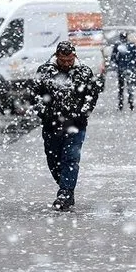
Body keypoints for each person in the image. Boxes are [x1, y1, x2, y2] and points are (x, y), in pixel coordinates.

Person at [32, 41, 103, 210]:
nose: (66, 64)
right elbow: (35, 95)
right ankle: (65, 186)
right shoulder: (44, 72)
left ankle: (65, 192)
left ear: (74, 56)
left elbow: (91, 96)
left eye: (69, 60)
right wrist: (44, 113)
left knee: (70, 158)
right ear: (57, 57)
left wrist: (82, 114)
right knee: (54, 160)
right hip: (52, 125)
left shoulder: (84, 72)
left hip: (75, 125)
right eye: (63, 61)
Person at [110, 32, 136, 111]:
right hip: (130, 69)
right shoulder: (131, 46)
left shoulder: (118, 46)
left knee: (121, 87)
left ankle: (121, 103)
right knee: (130, 87)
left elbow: (113, 58)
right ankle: (130, 102)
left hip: (121, 69)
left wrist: (115, 66)